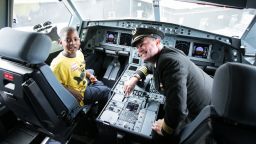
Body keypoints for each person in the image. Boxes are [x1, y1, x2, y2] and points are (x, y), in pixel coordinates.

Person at [123, 27, 213, 143]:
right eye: (137, 47)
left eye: (142, 44)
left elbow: (178, 109)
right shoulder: (165, 53)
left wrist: (165, 128)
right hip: (208, 99)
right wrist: (135, 78)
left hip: (201, 113)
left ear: (157, 41)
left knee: (157, 134)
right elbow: (151, 66)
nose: (138, 50)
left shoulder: (170, 62)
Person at [50, 26, 110, 112]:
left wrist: (89, 75)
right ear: (60, 42)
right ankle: (99, 113)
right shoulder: (58, 65)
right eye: (68, 40)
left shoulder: (78, 53)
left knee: (92, 71)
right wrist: (73, 92)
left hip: (80, 81)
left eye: (75, 39)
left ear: (79, 40)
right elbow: (54, 86)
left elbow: (81, 68)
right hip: (80, 93)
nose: (72, 43)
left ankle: (97, 89)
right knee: (106, 91)